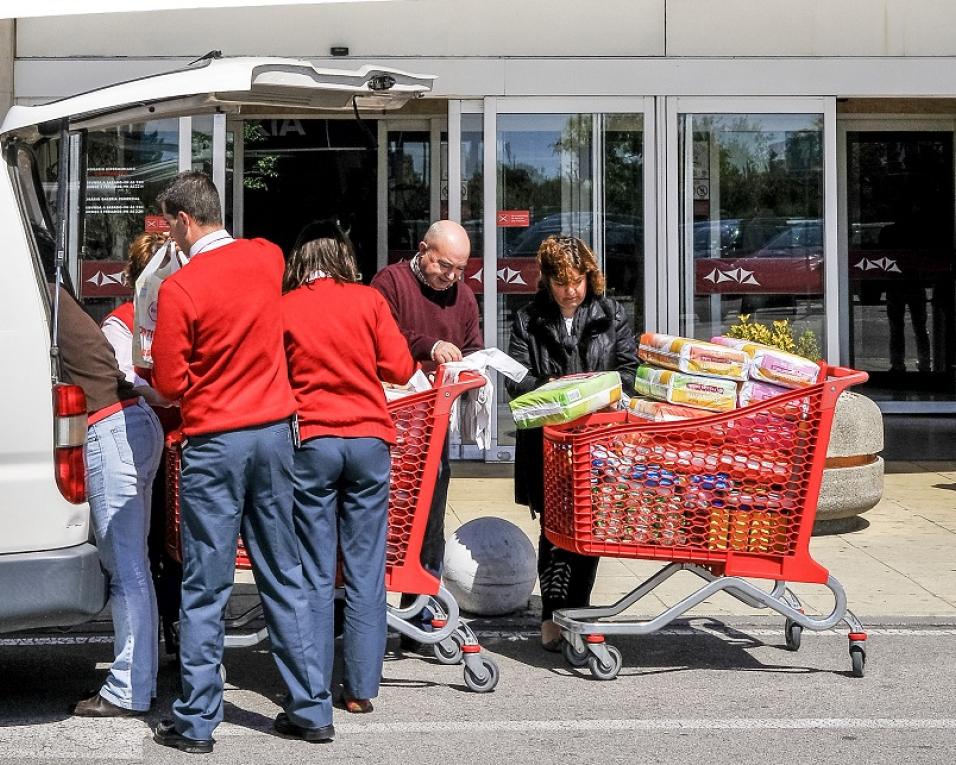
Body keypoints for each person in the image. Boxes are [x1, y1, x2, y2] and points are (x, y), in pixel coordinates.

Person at [149, 172, 330, 754]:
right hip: (275, 435)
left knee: (206, 584)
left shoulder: (181, 289)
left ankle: (198, 721)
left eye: (169, 225)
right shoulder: (266, 256)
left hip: (216, 442)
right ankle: (310, 708)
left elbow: (172, 382)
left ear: (181, 221)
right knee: (283, 571)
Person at [281, 220, 415, 715]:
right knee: (365, 570)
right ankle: (360, 688)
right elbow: (401, 369)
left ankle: (313, 687)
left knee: (316, 572)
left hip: (312, 443)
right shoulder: (369, 301)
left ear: (300, 260)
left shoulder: (285, 307)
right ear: (342, 256)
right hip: (368, 442)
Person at [37, 232, 165, 718]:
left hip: (111, 429)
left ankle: (128, 689)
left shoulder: (42, 303)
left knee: (126, 567)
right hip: (133, 423)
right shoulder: (60, 301)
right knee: (134, 568)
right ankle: (141, 678)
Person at [505, 235, 636, 652]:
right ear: (546, 280)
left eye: (577, 281)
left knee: (590, 528)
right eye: (561, 282)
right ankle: (550, 615)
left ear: (589, 277)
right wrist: (558, 392)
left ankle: (578, 610)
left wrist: (598, 391)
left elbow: (630, 371)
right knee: (555, 529)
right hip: (548, 443)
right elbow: (516, 380)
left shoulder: (610, 313)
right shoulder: (528, 317)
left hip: (598, 442)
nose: (570, 290)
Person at [369, 220, 481, 645]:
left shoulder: (464, 297)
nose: (451, 277)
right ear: (422, 250)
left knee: (429, 519)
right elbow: (381, 334)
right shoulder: (391, 282)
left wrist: (473, 367)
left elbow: (471, 344)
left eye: (459, 269)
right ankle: (366, 609)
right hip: (394, 417)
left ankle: (418, 612)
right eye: (445, 266)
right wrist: (426, 347)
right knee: (387, 519)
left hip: (435, 424)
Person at [101, 231, 183, 658]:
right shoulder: (122, 320)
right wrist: (164, 394)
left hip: (172, 443)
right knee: (157, 544)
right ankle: (161, 630)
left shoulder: (167, 314)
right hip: (152, 443)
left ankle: (174, 626)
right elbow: (124, 377)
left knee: (172, 546)